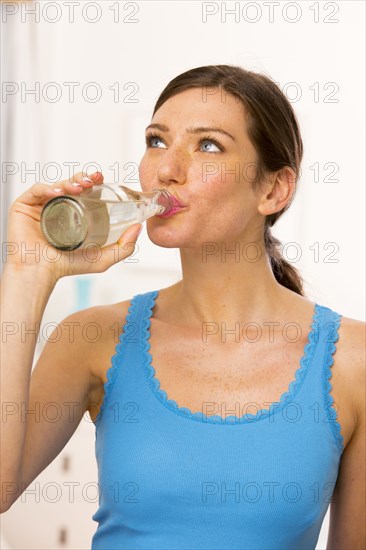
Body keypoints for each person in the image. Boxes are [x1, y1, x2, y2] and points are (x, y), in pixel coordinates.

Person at [1, 64, 364, 549]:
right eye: (156, 140)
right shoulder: (92, 338)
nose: (166, 170)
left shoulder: (352, 362)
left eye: (207, 145)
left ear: (273, 189)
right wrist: (28, 273)